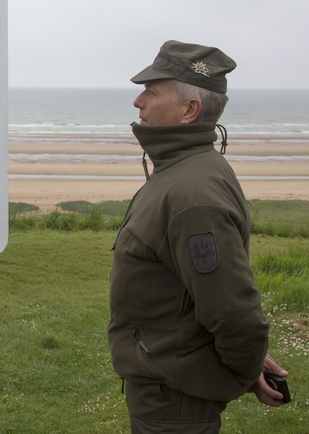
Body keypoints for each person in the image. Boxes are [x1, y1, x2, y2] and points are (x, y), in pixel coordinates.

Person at [108, 40, 288, 434]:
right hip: (166, 377)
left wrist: (244, 368)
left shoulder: (192, 192)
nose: (139, 101)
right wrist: (251, 364)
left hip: (172, 393)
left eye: (152, 92)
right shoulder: (188, 167)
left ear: (189, 110)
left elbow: (235, 312)